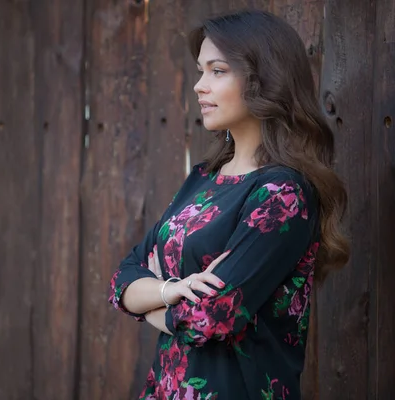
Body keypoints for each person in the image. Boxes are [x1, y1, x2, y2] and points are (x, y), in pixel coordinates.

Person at [108, 9, 349, 400]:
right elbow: (122, 280)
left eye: (217, 71)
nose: (199, 86)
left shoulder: (282, 195)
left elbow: (210, 319)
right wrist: (176, 290)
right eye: (201, 70)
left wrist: (151, 299)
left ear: (265, 79)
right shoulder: (203, 179)